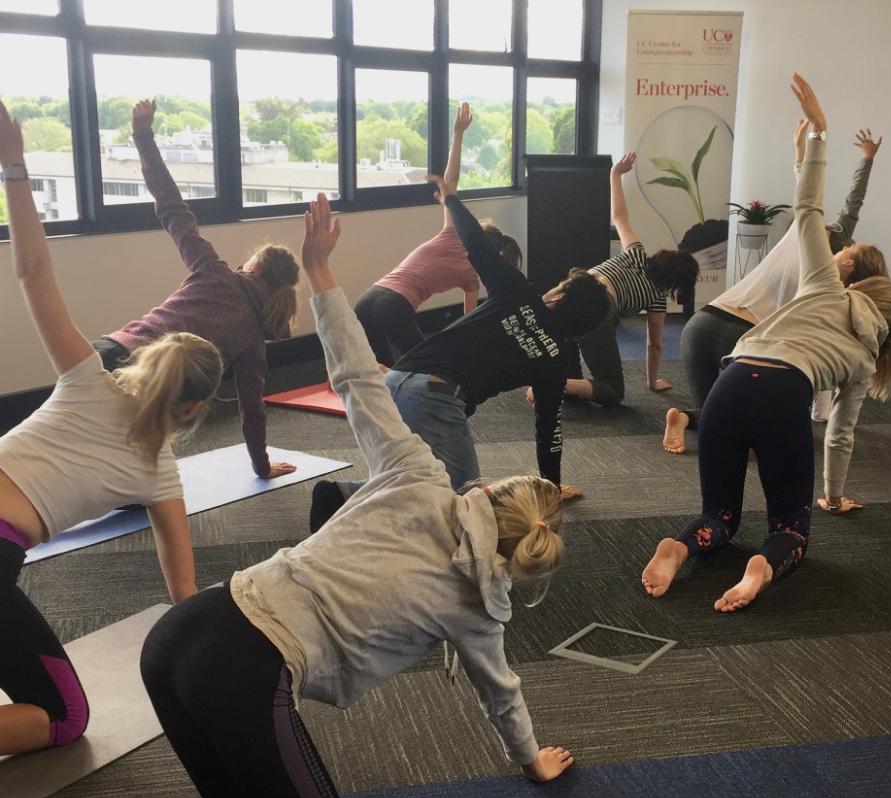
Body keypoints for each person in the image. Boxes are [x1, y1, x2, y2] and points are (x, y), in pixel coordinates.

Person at [59, 194, 576, 798]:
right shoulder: (483, 610)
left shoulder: (416, 472)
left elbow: (357, 377)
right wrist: (531, 762)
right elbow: (502, 695)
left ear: (486, 490)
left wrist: (326, 270)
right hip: (245, 671)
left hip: (183, 631)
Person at [0, 101, 222, 757]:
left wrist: (14, 164)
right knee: (63, 720)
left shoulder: (86, 376)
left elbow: (33, 271)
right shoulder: (161, 476)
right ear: (193, 410)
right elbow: (182, 595)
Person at [641, 75, 891, 613]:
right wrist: (832, 495)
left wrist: (819, 138)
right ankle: (763, 564)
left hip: (730, 381)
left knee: (720, 515)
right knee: (791, 525)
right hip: (782, 395)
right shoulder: (863, 357)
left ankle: (678, 546)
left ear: (858, 281)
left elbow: (807, 210)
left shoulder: (824, 282)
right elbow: (839, 435)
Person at [309, 168, 611, 530]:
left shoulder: (518, 292)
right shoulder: (556, 360)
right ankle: (343, 497)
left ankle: (340, 498)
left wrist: (452, 197)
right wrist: (551, 488)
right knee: (464, 500)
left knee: (416, 475)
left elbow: (476, 243)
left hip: (399, 377)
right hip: (435, 397)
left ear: (560, 295)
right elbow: (548, 431)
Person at [94, 100, 299, 480]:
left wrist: (143, 136)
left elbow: (173, 209)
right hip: (148, 396)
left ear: (252, 266)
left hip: (106, 355)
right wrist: (262, 466)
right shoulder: (253, 338)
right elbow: (251, 407)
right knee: (130, 477)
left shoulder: (215, 271)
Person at [663, 120, 885, 454]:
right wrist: (819, 414)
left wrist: (804, 150)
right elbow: (849, 203)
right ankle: (693, 420)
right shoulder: (825, 289)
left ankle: (683, 417)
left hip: (698, 325)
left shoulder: (804, 235)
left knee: (718, 415)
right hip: (739, 337)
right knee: (750, 427)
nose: (843, 248)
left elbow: (808, 187)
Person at [354, 102, 522, 366]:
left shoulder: (453, 233)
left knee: (381, 372)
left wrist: (458, 133)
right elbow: (470, 321)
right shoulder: (471, 276)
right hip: (393, 306)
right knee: (427, 364)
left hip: (367, 299)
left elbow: (450, 182)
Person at [557, 150, 699, 405]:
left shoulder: (636, 253)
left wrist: (615, 173)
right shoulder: (657, 297)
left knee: (574, 386)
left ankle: (556, 379)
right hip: (598, 308)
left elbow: (619, 215)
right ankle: (554, 383)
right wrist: (652, 382)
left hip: (570, 288)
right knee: (612, 392)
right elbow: (654, 343)